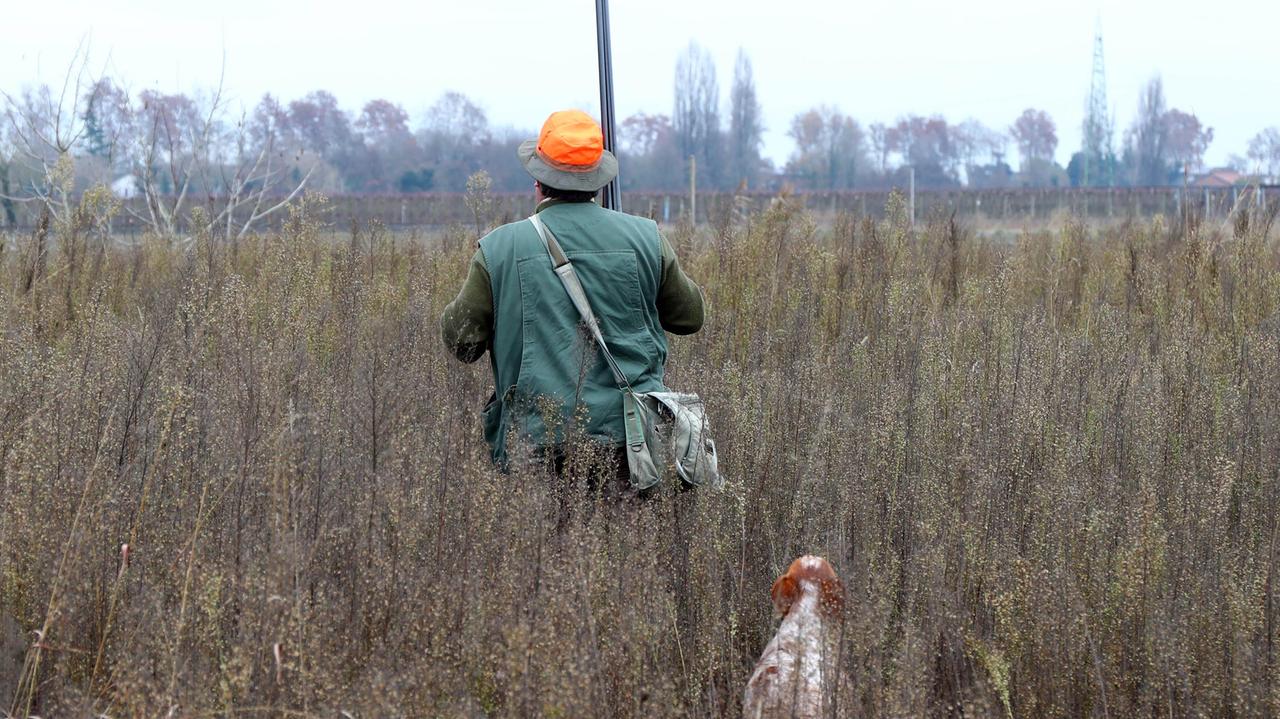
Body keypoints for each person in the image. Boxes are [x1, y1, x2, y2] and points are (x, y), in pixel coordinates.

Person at [440, 109, 704, 494]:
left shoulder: (499, 248)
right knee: (630, 548)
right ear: (599, 180)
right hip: (629, 442)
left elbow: (461, 342)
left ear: (538, 179)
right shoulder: (647, 237)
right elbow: (690, 316)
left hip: (536, 442)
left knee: (542, 550)